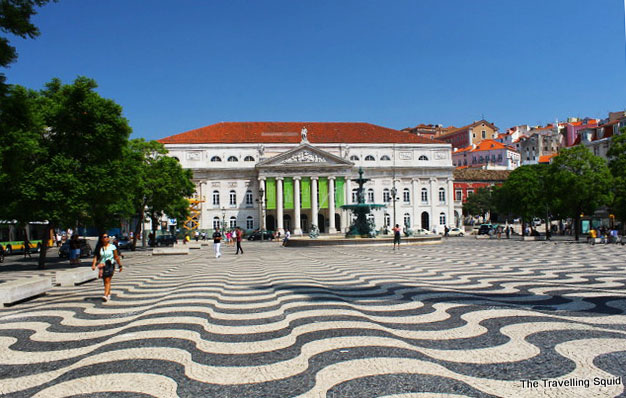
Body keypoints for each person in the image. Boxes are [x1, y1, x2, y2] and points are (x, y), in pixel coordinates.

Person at [91, 233, 123, 302]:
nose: (106, 238)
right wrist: (93, 264)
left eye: (107, 237)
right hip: (102, 266)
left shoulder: (112, 247)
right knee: (105, 280)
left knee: (107, 280)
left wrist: (120, 265)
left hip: (110, 264)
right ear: (102, 239)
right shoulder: (100, 247)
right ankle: (108, 294)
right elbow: (96, 257)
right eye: (104, 237)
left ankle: (105, 295)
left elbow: (116, 257)